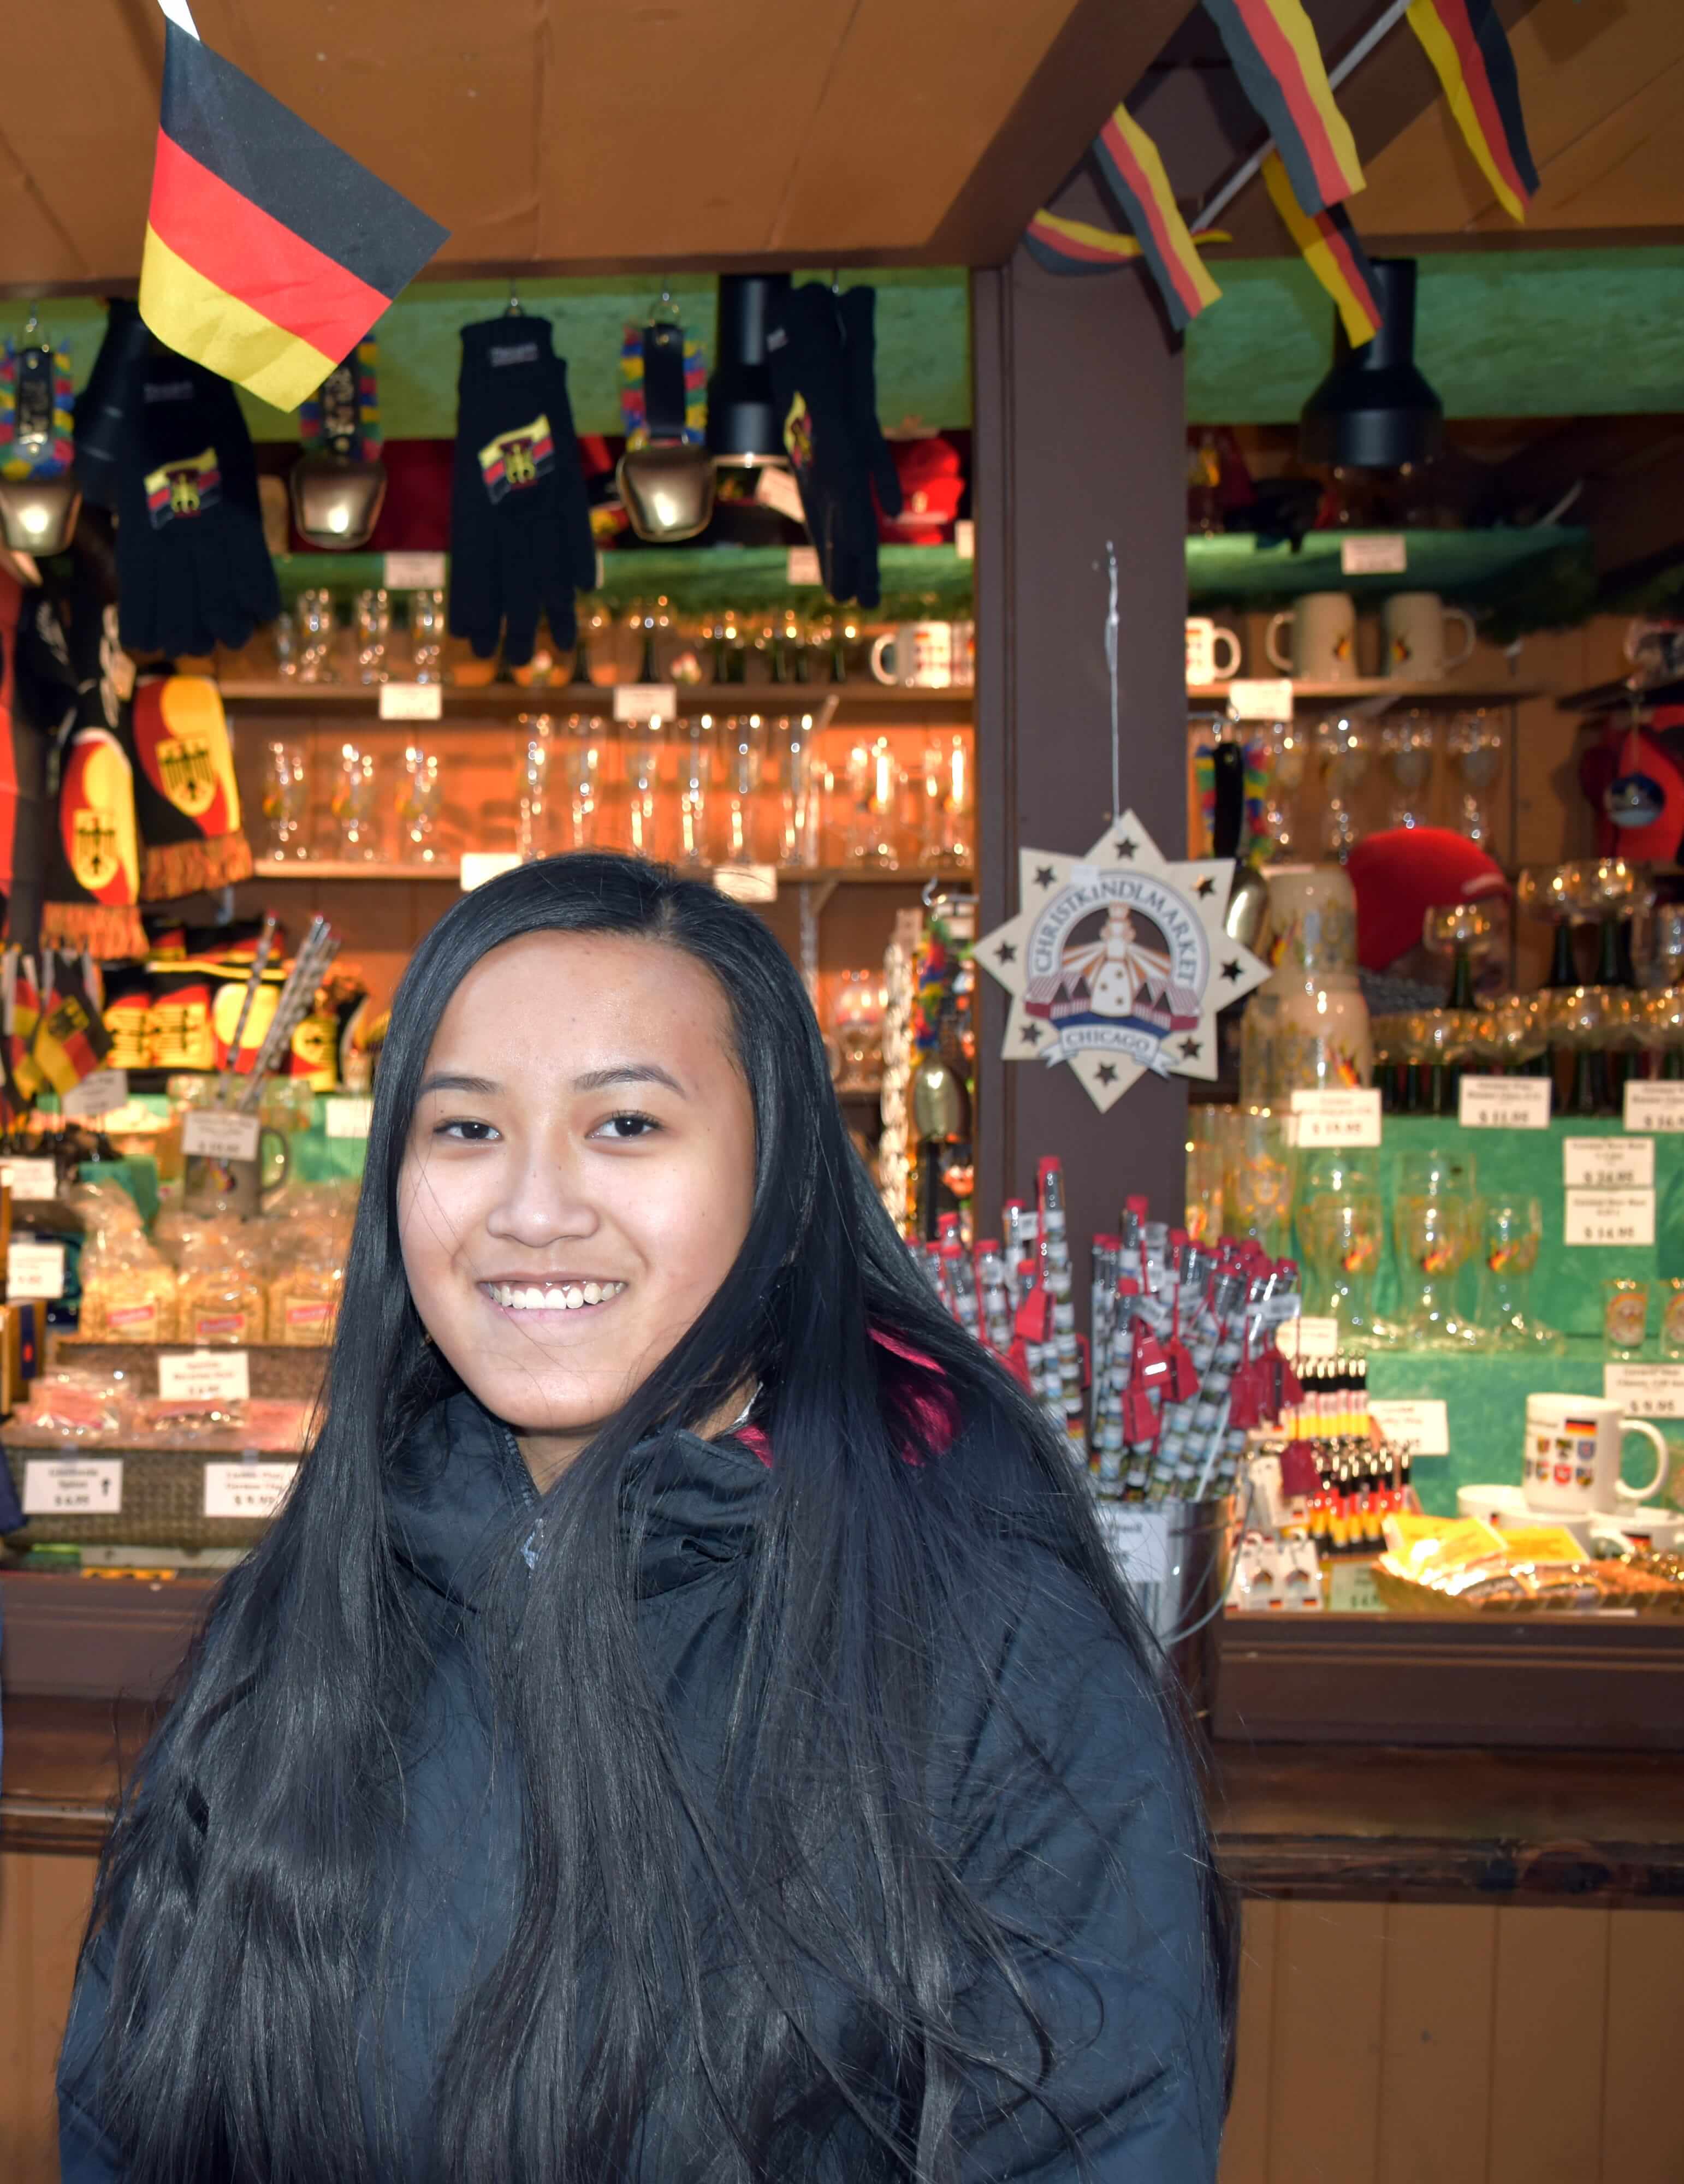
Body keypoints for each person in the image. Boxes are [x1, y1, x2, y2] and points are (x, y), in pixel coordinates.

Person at [58, 852, 1231, 2183]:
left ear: (783, 1183)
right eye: (466, 1128)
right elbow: (129, 2114)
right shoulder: (312, 1597)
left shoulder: (996, 1648)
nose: (535, 1209)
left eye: (625, 1124)